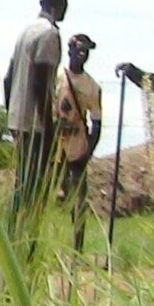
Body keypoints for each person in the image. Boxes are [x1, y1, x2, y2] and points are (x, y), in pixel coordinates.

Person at [3, 0, 69, 223]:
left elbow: (8, 79)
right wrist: (49, 129)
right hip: (36, 124)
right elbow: (42, 85)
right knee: (35, 187)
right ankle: (26, 242)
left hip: (18, 120)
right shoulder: (49, 35)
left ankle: (11, 237)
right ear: (58, 4)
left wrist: (11, 114)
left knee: (22, 183)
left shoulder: (26, 32)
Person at [57, 33, 102, 245]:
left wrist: (88, 151)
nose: (81, 55)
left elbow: (97, 121)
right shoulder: (56, 76)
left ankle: (77, 248)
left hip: (77, 146)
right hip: (54, 145)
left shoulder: (92, 87)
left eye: (85, 52)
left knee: (78, 200)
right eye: (79, 50)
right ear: (70, 51)